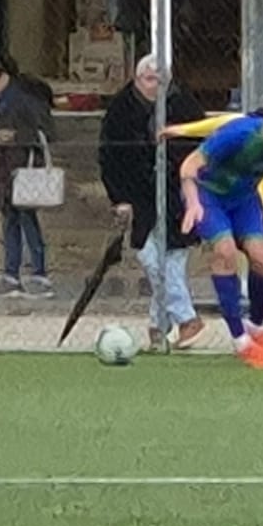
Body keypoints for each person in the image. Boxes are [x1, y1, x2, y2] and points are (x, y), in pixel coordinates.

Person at [162, 87, 263, 370]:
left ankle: (256, 326)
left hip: (244, 201)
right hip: (208, 196)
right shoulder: (240, 134)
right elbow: (189, 166)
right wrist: (193, 202)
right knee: (225, 251)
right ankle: (240, 340)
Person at [98, 56, 207, 350]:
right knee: (150, 258)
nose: (154, 87)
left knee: (173, 260)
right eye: (148, 80)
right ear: (137, 80)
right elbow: (109, 158)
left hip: (178, 196)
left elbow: (200, 147)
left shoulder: (184, 105)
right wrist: (119, 198)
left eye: (160, 81)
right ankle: (182, 319)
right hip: (139, 197)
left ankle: (163, 326)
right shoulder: (121, 110)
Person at [0, 56, 53, 297]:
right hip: (5, 172)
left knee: (27, 220)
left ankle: (39, 273)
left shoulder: (27, 101)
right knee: (10, 221)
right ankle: (11, 274)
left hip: (25, 170)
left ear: (4, 76)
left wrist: (15, 137)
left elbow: (46, 132)